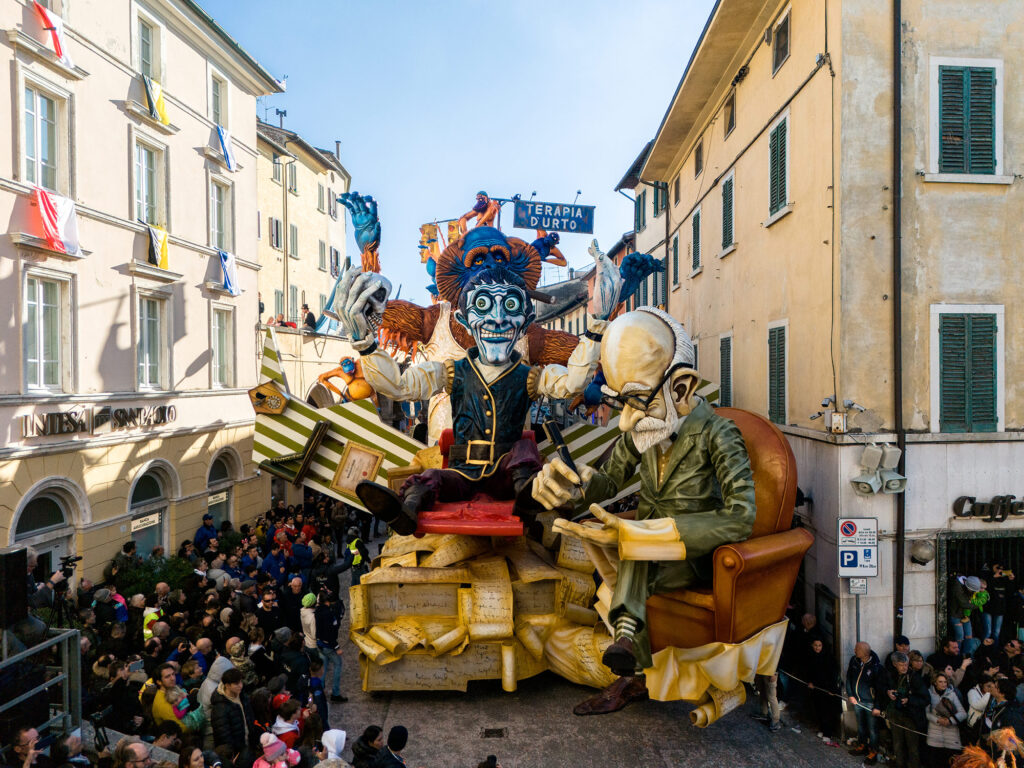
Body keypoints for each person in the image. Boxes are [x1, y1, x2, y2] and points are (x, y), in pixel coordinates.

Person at [534, 308, 755, 715]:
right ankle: (628, 650)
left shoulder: (719, 434)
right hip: (649, 553)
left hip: (694, 556)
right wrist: (575, 483)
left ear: (682, 387)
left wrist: (652, 535)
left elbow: (741, 516)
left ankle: (626, 644)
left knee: (637, 545)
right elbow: (609, 480)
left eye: (636, 401)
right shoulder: (646, 426)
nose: (625, 422)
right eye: (621, 403)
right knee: (635, 544)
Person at [883, 651, 929, 768]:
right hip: (895, 715)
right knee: (897, 745)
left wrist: (909, 700)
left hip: (911, 718)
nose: (904, 667)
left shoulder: (915, 678)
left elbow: (926, 699)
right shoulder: (890, 675)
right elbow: (881, 688)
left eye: (906, 664)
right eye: (901, 664)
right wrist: (887, 692)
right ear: (894, 664)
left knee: (913, 747)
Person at [846, 642, 885, 765]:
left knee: (873, 729)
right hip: (857, 700)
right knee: (861, 725)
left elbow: (880, 689)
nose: (854, 650)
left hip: (870, 703)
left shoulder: (876, 667)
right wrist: (851, 694)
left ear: (865, 652)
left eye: (857, 649)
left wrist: (877, 706)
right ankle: (862, 745)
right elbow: (849, 678)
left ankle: (873, 750)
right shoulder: (854, 661)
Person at [926, 671, 966, 768]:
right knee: (935, 762)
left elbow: (963, 713)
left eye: (945, 682)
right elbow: (926, 713)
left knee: (951, 762)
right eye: (940, 682)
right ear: (935, 682)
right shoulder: (929, 694)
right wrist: (938, 720)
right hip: (934, 734)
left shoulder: (952, 694)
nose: (943, 684)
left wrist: (950, 720)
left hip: (951, 734)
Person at [805, 638, 841, 744]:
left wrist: (833, 689)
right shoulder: (811, 656)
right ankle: (822, 728)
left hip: (828, 688)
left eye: (819, 645)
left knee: (827, 712)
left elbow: (834, 674)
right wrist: (810, 682)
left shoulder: (829, 658)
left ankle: (828, 733)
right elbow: (808, 671)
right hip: (817, 688)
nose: (817, 648)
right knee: (818, 709)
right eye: (815, 645)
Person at [210, 667, 252, 756]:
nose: (241, 685)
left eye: (241, 682)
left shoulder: (242, 695)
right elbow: (223, 736)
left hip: (248, 744)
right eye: (236, 683)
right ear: (227, 685)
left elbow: (250, 717)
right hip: (237, 752)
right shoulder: (220, 708)